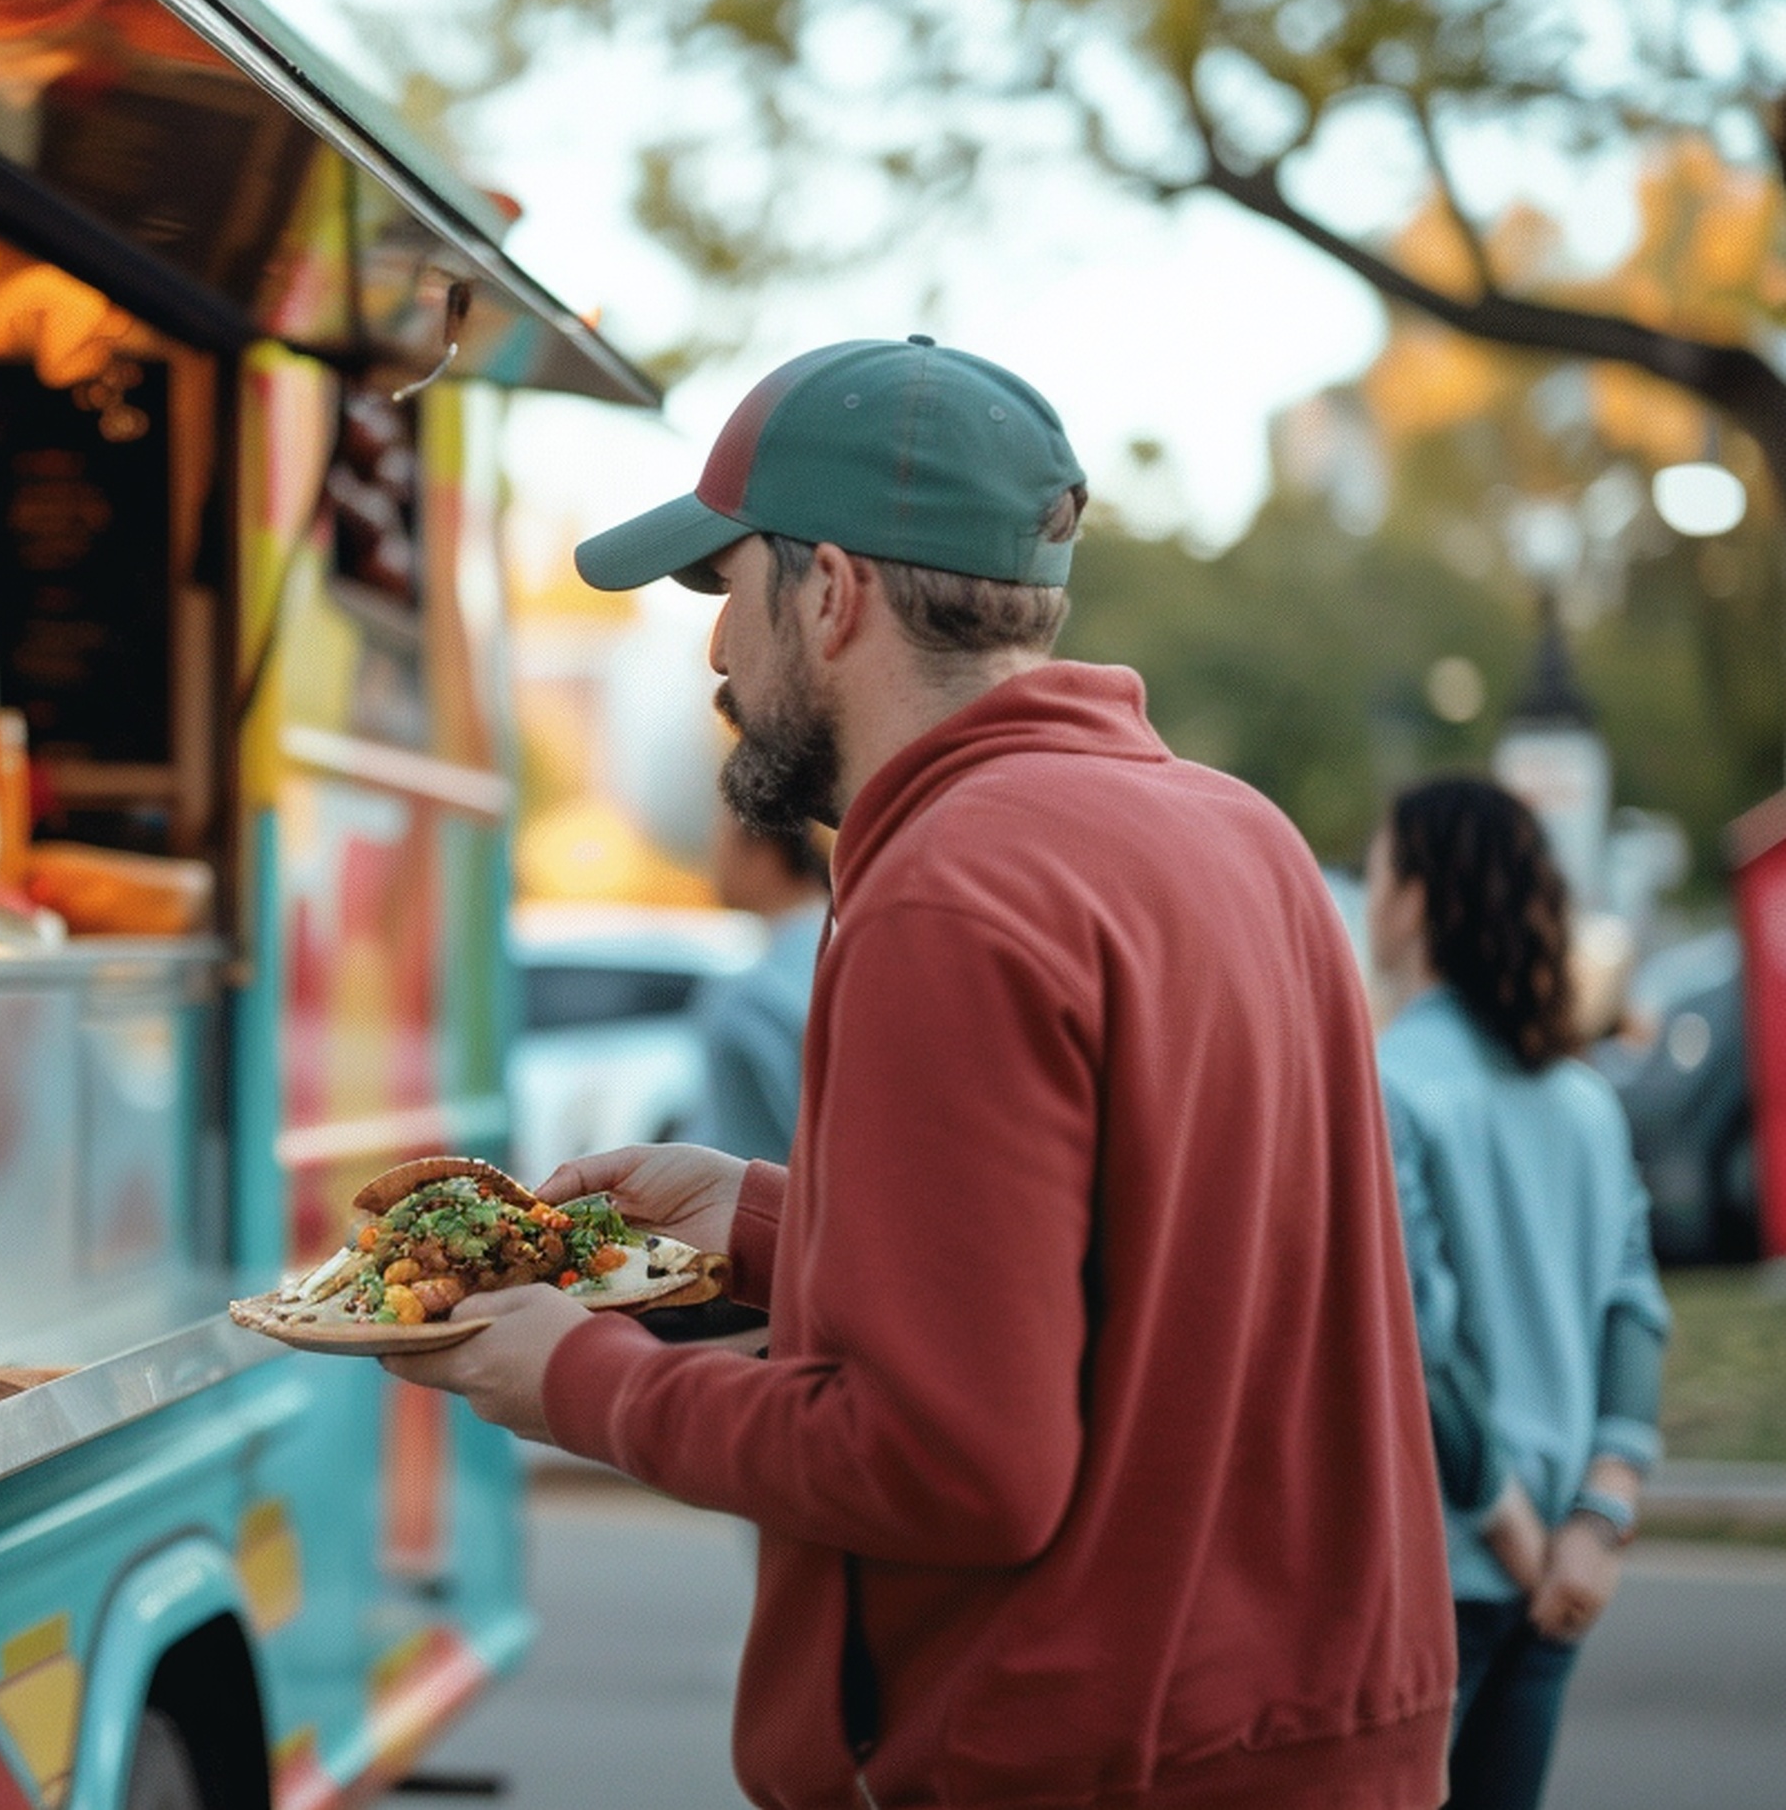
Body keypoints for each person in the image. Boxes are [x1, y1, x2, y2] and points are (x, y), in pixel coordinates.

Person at [392, 336, 1455, 1810]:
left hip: (1095, 1763)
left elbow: (949, 1462)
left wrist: (579, 1381)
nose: (711, 655)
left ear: (831, 592)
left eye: (726, 591)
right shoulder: (1237, 832)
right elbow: (1153, 1273)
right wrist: (767, 1221)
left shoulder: (953, 890)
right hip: (1309, 1738)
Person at [1368, 776, 1670, 1810]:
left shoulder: (1386, 1082)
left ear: (1414, 896)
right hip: (1563, 1576)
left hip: (1445, 1567)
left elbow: (1417, 1327)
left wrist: (1510, 1529)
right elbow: (1632, 1300)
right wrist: (1597, 1516)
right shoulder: (1586, 1101)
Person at [695, 807, 830, 1164]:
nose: (713, 861)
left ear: (763, 850)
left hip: (754, 1207)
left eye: (721, 842)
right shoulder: (853, 941)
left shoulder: (753, 997)